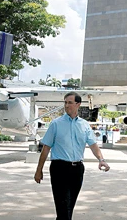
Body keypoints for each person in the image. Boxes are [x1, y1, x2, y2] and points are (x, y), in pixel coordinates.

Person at [34, 92, 110, 220]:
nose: (66, 105)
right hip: (59, 168)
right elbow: (46, 148)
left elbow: (93, 145)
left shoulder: (84, 125)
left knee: (69, 206)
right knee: (63, 207)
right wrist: (38, 170)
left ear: (78, 104)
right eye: (65, 103)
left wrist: (101, 160)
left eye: (69, 103)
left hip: (77, 169)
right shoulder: (56, 124)